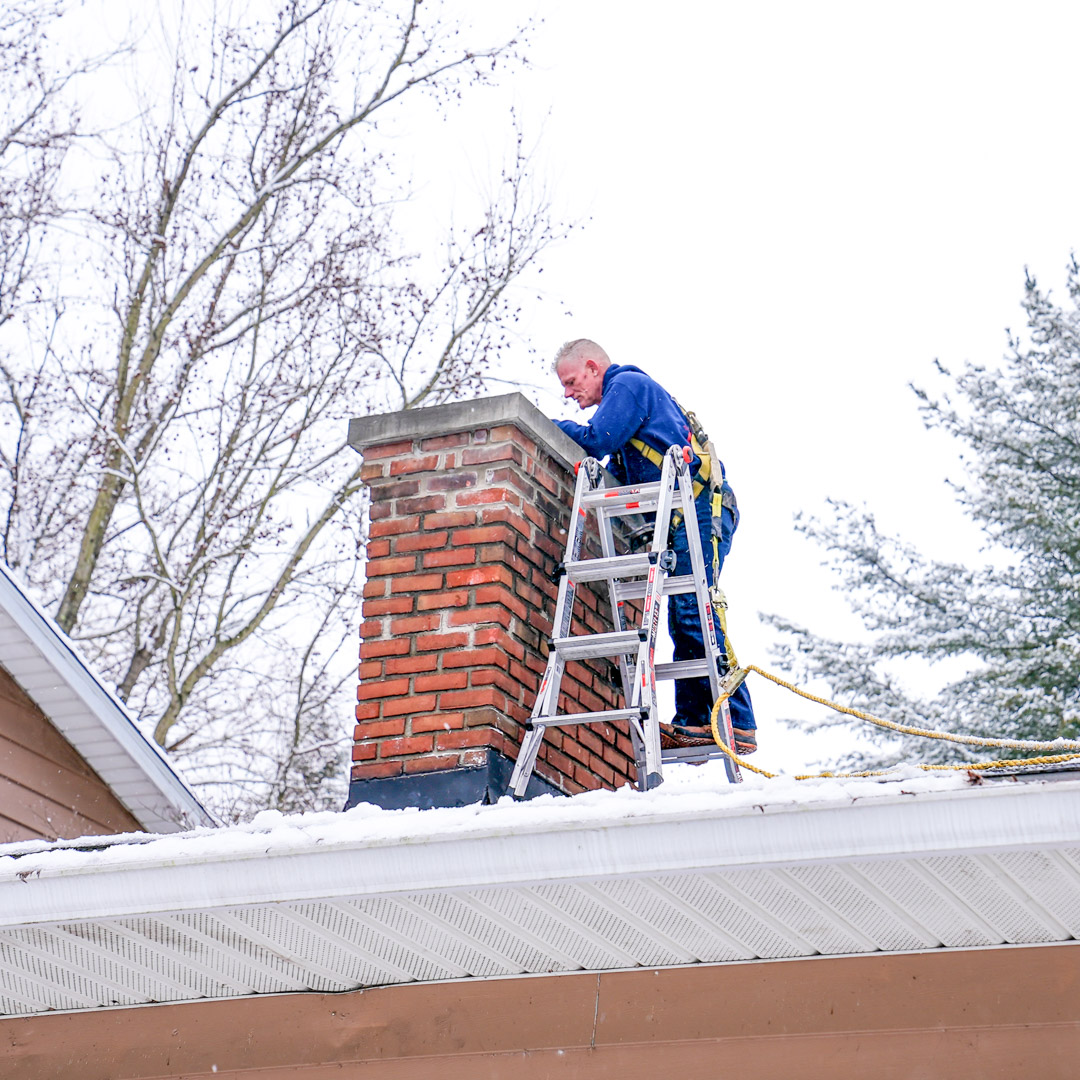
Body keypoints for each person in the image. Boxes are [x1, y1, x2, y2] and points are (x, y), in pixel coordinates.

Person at [551, 338, 758, 753]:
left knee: (693, 606)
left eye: (572, 382)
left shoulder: (627, 386)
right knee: (684, 614)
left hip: (701, 508)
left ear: (593, 367)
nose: (570, 394)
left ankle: (736, 721)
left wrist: (551, 426)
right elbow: (617, 472)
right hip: (686, 512)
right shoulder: (632, 416)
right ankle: (697, 721)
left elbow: (596, 440)